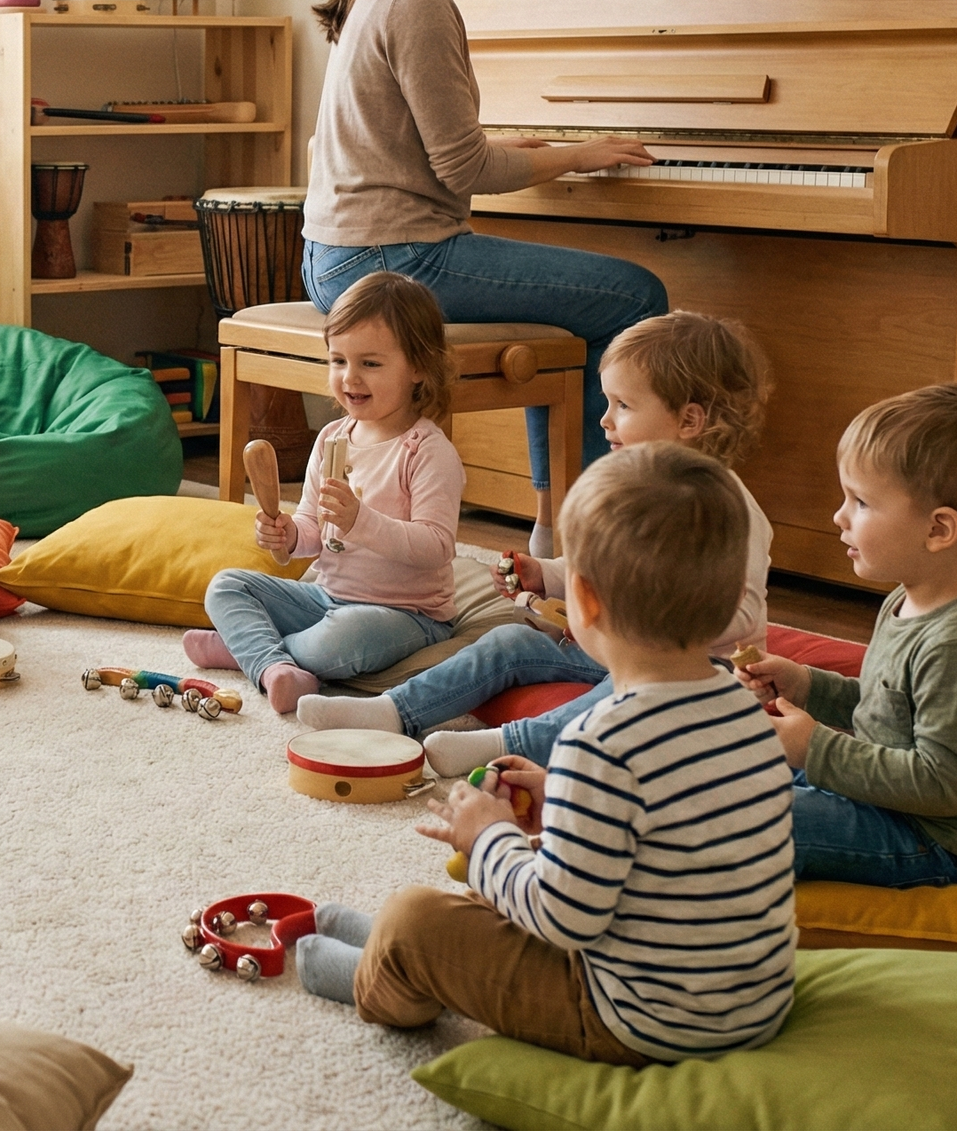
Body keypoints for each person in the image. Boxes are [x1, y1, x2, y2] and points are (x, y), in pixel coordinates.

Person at [297, 443, 795, 1066]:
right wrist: (558, 798)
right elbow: (662, 831)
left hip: (637, 1020)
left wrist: (487, 838)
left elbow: (562, 917)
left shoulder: (600, 739)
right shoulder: (749, 713)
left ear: (583, 602)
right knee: (503, 881)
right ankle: (405, 950)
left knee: (417, 914)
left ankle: (390, 977)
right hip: (748, 1002)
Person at [304, 0, 666, 555]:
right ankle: (589, 533)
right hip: (393, 259)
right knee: (635, 297)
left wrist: (514, 148)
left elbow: (419, 148)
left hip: (337, 253)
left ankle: (552, 523)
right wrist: (575, 154)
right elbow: (464, 170)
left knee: (570, 316)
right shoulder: (420, 1)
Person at [299, 312, 773, 775]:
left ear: (689, 421)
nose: (604, 421)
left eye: (623, 407)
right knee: (510, 641)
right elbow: (601, 568)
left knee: (622, 701)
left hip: (698, 672)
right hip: (617, 646)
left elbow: (743, 612)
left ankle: (503, 744)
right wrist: (545, 574)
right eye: (606, 403)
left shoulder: (729, 510)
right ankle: (396, 710)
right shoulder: (635, 490)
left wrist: (643, 620)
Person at [739, 384, 957, 886]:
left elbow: (943, 785)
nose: (839, 516)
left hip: (941, 838)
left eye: (860, 502)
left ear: (938, 530)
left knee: (753, 821)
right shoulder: (906, 600)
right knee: (727, 772)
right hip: (891, 800)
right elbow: (890, 712)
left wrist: (814, 747)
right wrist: (808, 687)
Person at [182, 272, 465, 713]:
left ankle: (251, 651)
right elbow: (314, 527)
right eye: (338, 361)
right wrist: (290, 536)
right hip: (326, 598)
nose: (350, 377)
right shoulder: (333, 437)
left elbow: (436, 547)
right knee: (225, 586)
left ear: (419, 367)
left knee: (341, 642)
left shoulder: (427, 451)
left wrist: (361, 522)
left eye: (370, 364)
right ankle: (274, 667)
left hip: (406, 615)